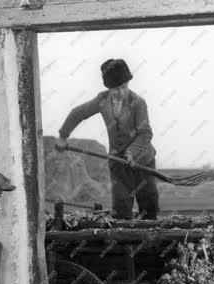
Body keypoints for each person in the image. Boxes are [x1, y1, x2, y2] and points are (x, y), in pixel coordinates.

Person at [56, 58, 159, 220]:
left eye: (124, 87)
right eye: (115, 89)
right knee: (121, 208)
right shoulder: (102, 100)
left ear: (128, 83)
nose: (120, 92)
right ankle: (124, 242)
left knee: (149, 206)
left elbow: (145, 133)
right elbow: (78, 113)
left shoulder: (138, 103)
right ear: (108, 88)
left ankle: (149, 241)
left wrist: (131, 153)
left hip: (142, 160)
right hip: (117, 160)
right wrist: (63, 135)